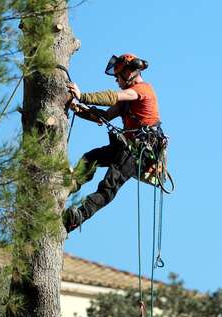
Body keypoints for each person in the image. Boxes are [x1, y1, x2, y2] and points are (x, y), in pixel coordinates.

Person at [64, 53, 162, 232]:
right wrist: (78, 109)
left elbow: (112, 97)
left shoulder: (141, 90)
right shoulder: (128, 100)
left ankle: (79, 216)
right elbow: (105, 115)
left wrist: (82, 96)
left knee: (109, 185)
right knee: (91, 157)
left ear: (129, 73)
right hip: (127, 147)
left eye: (118, 76)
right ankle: (70, 184)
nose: (116, 80)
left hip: (139, 152)